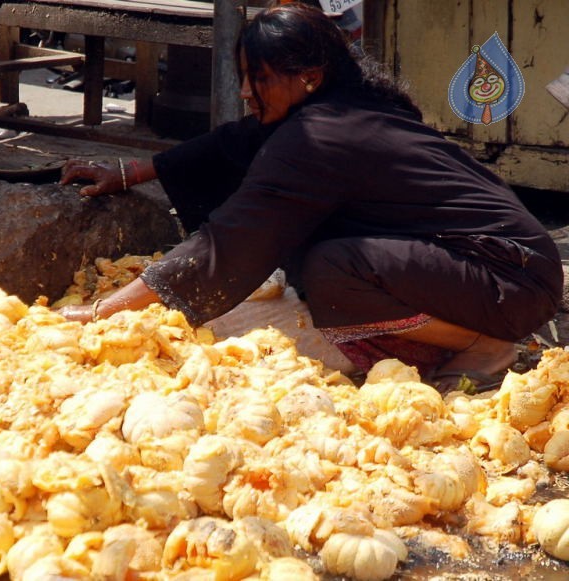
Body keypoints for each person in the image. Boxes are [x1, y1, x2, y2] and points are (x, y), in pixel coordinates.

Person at [57, 2, 563, 392]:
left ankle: (483, 346)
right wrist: (129, 172)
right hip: (509, 269)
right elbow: (234, 142)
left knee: (333, 271)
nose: (247, 93)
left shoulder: (320, 135)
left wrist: (106, 312)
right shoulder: (335, 109)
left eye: (261, 79)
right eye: (246, 78)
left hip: (507, 278)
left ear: (310, 77)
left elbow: (230, 242)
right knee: (313, 255)